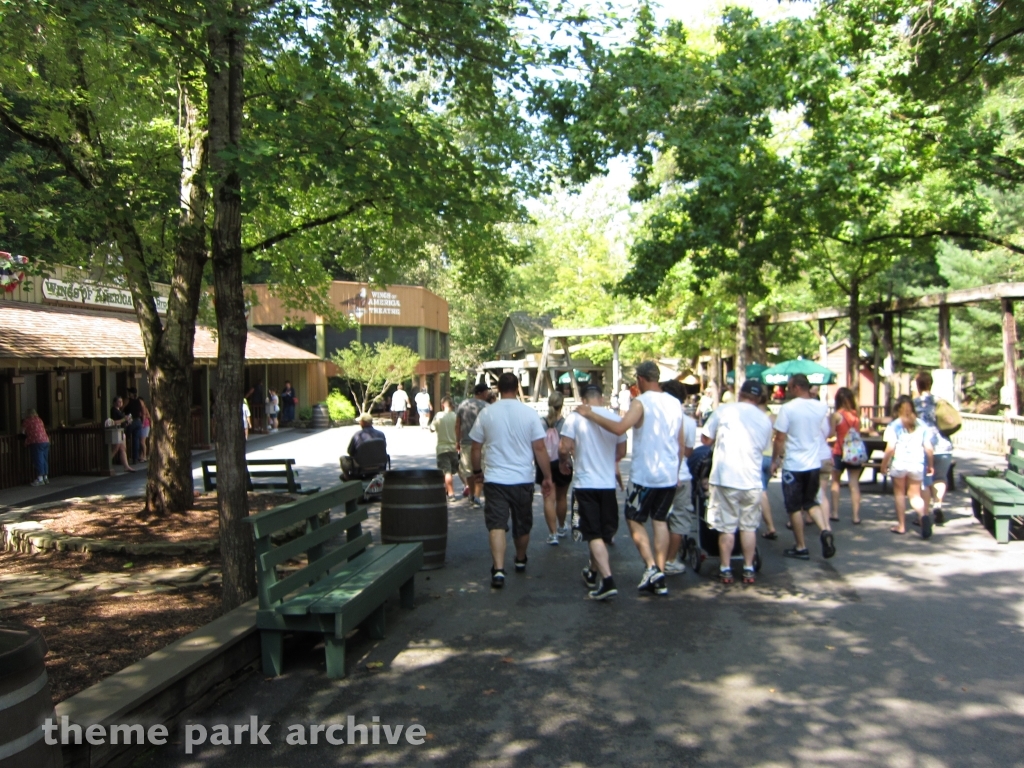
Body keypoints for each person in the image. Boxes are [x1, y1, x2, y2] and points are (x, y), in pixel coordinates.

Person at [576, 360, 684, 597]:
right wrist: (676, 471)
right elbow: (681, 441)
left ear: (641, 379)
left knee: (634, 518)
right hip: (668, 473)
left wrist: (590, 413)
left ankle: (651, 566)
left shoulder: (641, 402)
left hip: (646, 474)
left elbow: (619, 428)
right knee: (660, 520)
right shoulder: (674, 403)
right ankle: (659, 574)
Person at [469, 372, 553, 589]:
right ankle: (520, 558)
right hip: (522, 478)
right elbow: (539, 448)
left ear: (497, 389)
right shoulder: (530, 414)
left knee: (496, 524)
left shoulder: (487, 413)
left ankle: (498, 570)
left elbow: (476, 447)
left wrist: (477, 471)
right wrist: (547, 477)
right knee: (522, 522)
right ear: (517, 388)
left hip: (495, 479)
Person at [701, 379, 775, 584]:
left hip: (726, 477)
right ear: (758, 398)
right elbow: (764, 447)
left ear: (740, 394)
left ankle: (725, 568)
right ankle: (748, 568)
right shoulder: (764, 420)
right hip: (752, 479)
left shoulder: (724, 411)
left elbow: (706, 439)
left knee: (726, 527)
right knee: (748, 527)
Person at [561, 385, 627, 600]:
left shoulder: (574, 418)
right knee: (601, 533)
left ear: (583, 399)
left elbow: (564, 447)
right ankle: (592, 571)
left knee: (592, 533)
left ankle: (607, 580)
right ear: (602, 398)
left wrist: (564, 461)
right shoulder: (615, 418)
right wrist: (605, 459)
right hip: (607, 484)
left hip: (585, 484)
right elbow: (622, 451)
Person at [770, 373, 835, 561]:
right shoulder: (820, 407)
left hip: (794, 464)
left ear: (797, 387)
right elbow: (826, 431)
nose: (788, 390)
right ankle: (824, 529)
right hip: (813, 463)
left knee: (794, 507)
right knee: (810, 502)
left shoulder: (788, 408)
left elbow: (779, 438)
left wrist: (775, 459)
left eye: (790, 387)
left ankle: (801, 546)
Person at [880, 395, 935, 537]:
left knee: (899, 494)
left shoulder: (894, 425)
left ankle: (901, 525)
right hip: (917, 463)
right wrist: (930, 464)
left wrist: (883, 464)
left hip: (899, 463)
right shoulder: (921, 425)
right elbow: (929, 448)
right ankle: (923, 515)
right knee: (915, 495)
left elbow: (890, 448)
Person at [660, 380, 697, 576]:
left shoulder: (659, 420)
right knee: (679, 519)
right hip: (681, 475)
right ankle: (670, 560)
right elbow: (688, 451)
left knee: (660, 519)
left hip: (660, 476)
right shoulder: (689, 422)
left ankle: (658, 560)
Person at [914, 371, 954, 526]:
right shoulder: (941, 401)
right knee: (940, 478)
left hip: (923, 447)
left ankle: (923, 515)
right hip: (943, 446)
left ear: (918, 385)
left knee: (923, 481)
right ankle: (937, 505)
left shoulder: (914, 404)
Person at [538, 392, 573, 545]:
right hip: (562, 462)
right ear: (562, 404)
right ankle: (561, 526)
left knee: (548, 498)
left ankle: (552, 534)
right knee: (561, 497)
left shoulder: (541, 422)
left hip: (545, 463)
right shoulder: (566, 423)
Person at [830, 387, 864, 525]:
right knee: (854, 483)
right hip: (854, 453)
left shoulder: (836, 416)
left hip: (839, 451)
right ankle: (856, 516)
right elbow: (858, 431)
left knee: (835, 482)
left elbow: (831, 434)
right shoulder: (856, 415)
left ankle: (835, 512)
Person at [456, 383, 490, 507]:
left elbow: (458, 424)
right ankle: (477, 496)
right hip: (482, 443)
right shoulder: (487, 407)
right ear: (482, 393)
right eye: (486, 392)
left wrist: (457, 441)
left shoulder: (463, 404)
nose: (487, 394)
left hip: (466, 442)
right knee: (480, 470)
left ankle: (471, 493)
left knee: (468, 471)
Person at [808, 384, 834, 523]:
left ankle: (806, 517)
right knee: (821, 494)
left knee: (805, 491)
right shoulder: (823, 416)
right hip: (824, 455)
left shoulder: (804, 417)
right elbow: (828, 433)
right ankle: (826, 524)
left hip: (810, 458)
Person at [757, 389, 778, 539]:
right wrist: (778, 458)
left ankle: (770, 526)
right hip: (769, 456)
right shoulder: (772, 417)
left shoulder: (753, 417)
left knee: (761, 492)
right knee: (762, 490)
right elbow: (780, 438)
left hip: (757, 457)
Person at [341, 413, 388, 479]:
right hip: (379, 464)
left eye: (360, 422)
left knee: (342, 458)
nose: (359, 423)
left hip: (361, 464)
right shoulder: (381, 434)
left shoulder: (357, 435)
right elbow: (384, 448)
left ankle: (347, 477)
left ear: (363, 422)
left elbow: (350, 451)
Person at [430, 397, 460, 500]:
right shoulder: (455, 416)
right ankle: (449, 490)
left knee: (446, 472)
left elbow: (432, 429)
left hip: (442, 448)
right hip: (453, 448)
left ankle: (451, 494)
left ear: (442, 405)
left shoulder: (439, 416)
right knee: (451, 471)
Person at [22, 409, 50, 486]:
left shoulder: (27, 421)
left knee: (38, 459)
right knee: (44, 459)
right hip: (45, 440)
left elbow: (23, 431)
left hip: (36, 441)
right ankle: (45, 477)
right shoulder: (39, 420)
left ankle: (40, 478)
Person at [108, 397, 135, 473]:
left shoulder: (120, 411)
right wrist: (124, 419)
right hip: (117, 431)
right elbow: (113, 422)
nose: (120, 403)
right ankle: (107, 463)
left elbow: (122, 421)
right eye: (118, 401)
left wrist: (127, 421)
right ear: (114, 402)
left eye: (121, 401)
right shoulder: (113, 410)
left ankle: (126, 466)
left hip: (122, 431)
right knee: (115, 448)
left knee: (123, 449)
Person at [123, 387, 145, 463]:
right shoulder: (140, 401)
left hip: (130, 420)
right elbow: (143, 412)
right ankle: (135, 458)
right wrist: (142, 422)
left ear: (131, 394)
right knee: (136, 440)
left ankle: (125, 457)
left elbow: (122, 408)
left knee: (125, 438)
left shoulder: (127, 400)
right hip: (138, 420)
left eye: (129, 392)